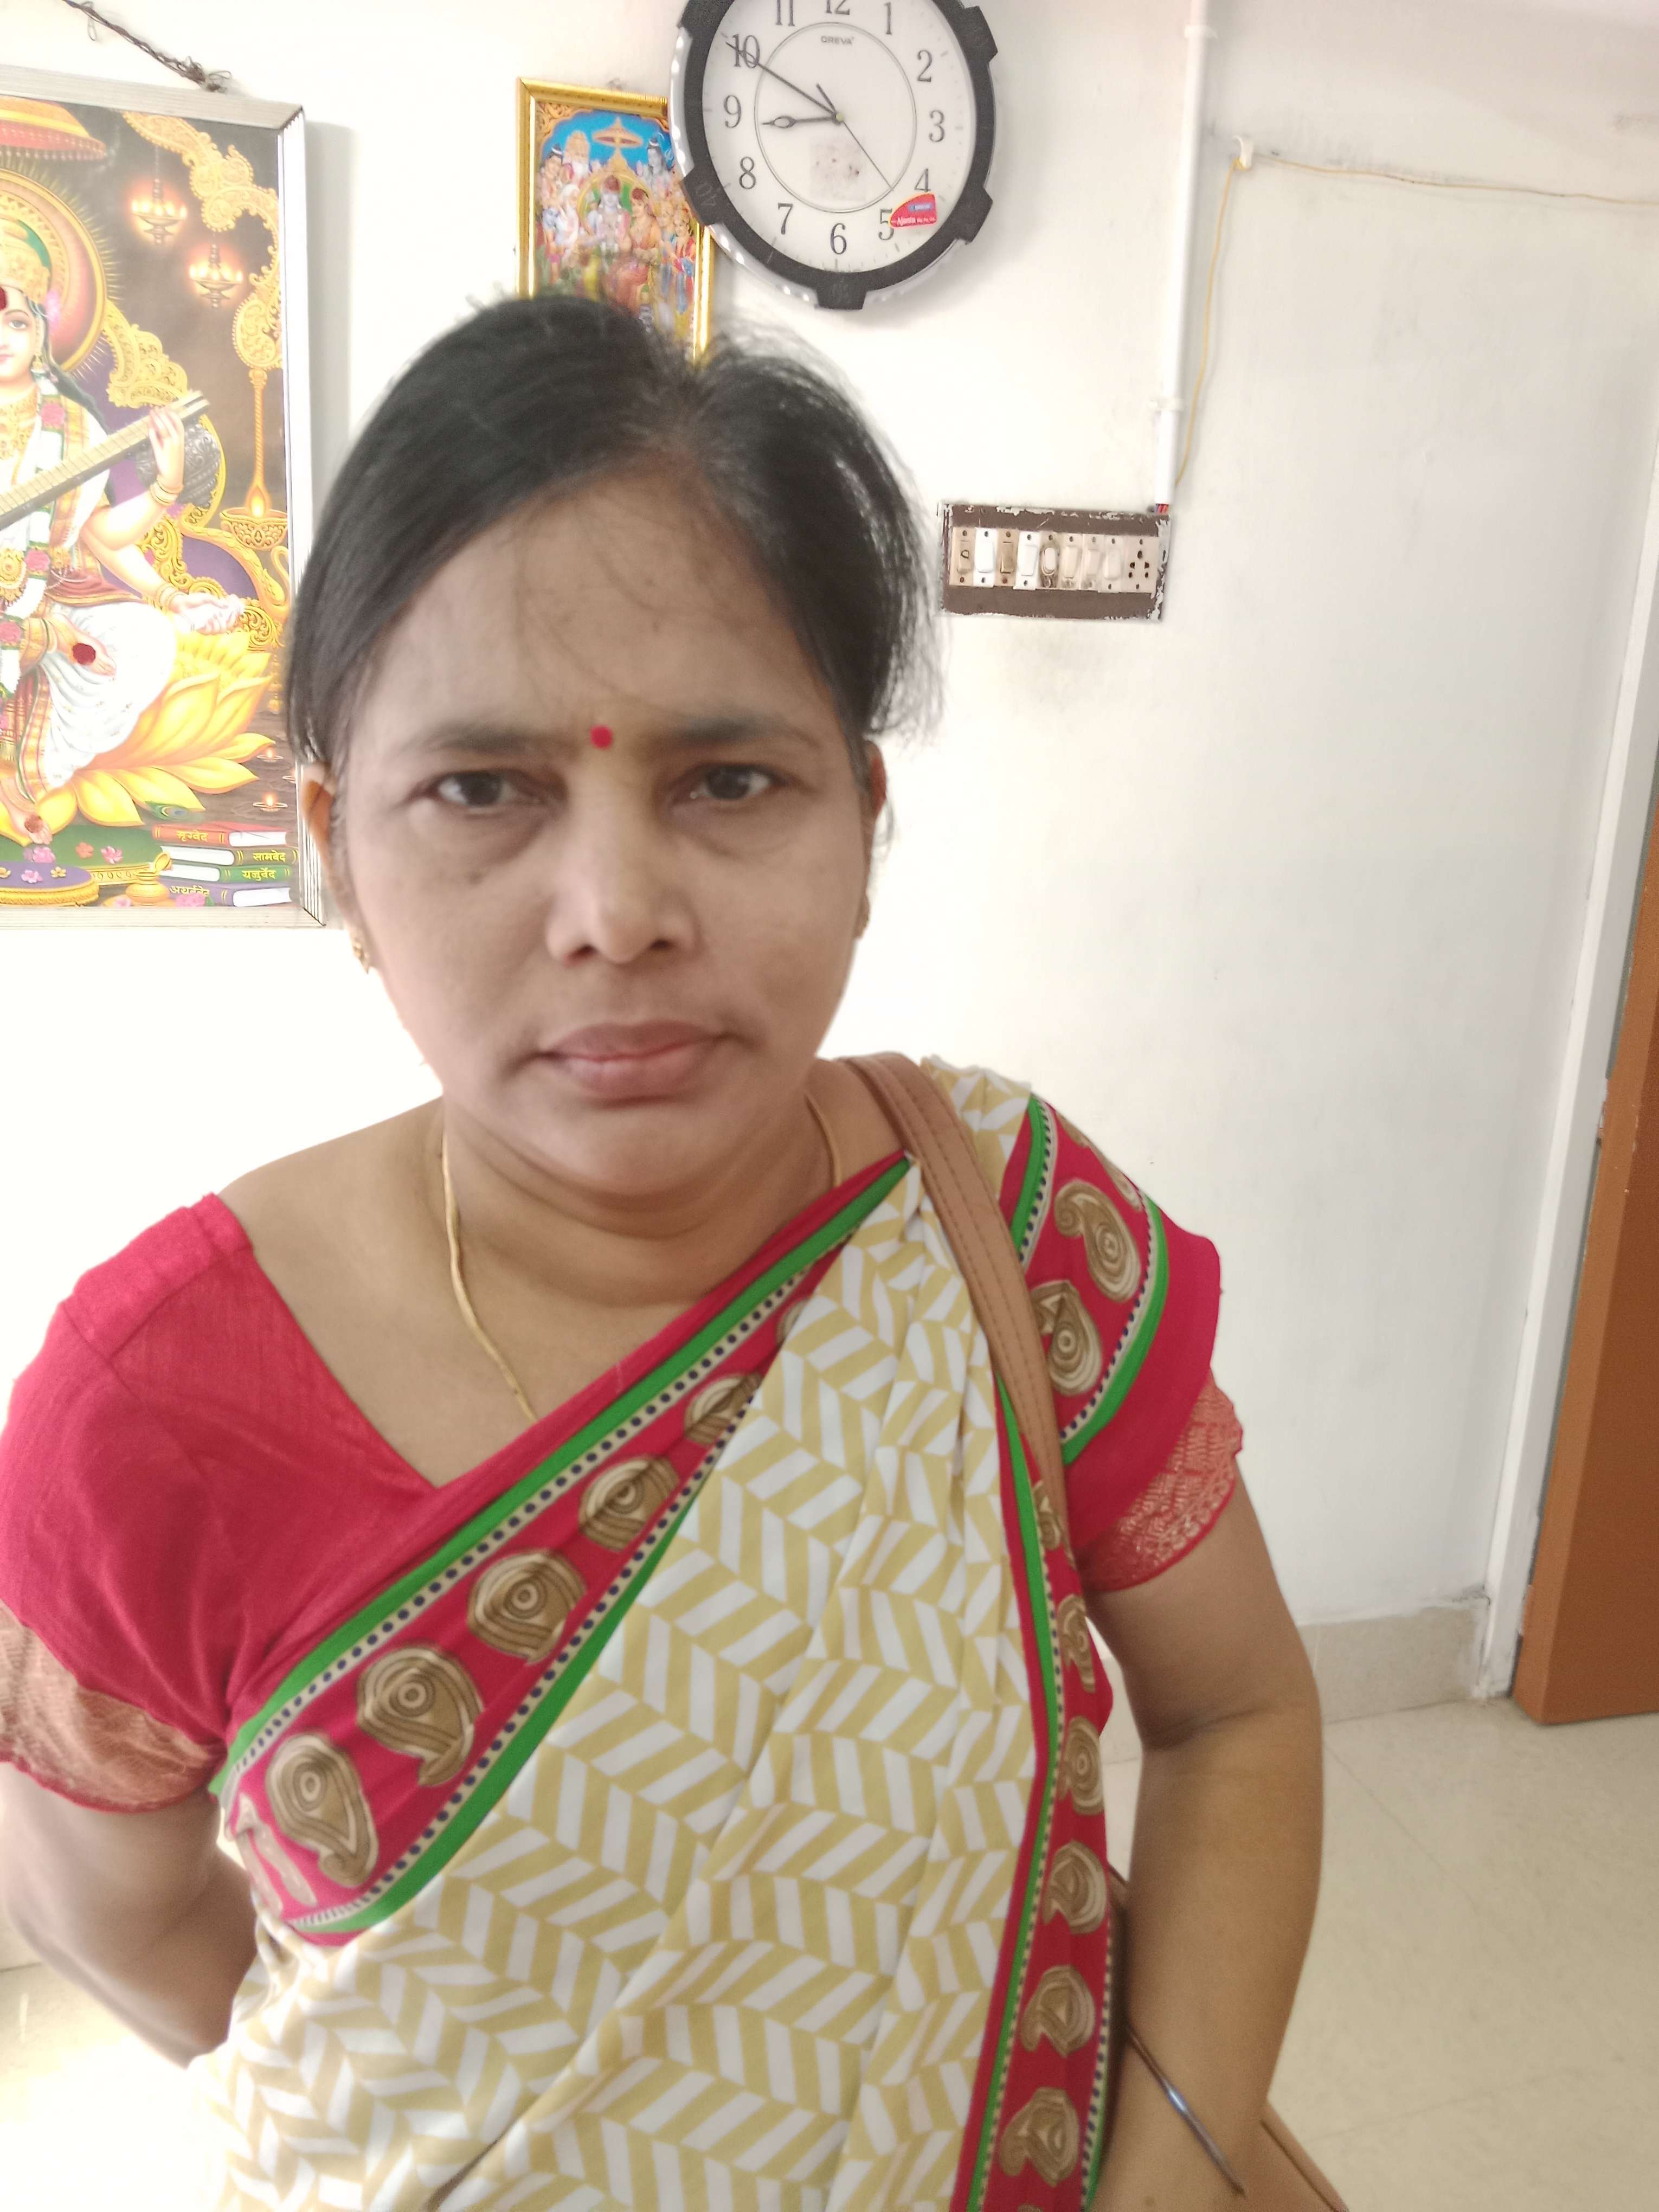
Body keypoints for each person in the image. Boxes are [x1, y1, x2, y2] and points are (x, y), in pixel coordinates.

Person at [0, 295, 1323, 2212]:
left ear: (864, 824)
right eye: (483, 790)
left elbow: (1239, 1715)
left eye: (727, 781)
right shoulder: (153, 1408)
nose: (617, 913)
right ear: (338, 852)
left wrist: (1176, 2167)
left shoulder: (1013, 1230)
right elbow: (114, 1916)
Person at [0, 215, 240, 844]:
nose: (2, 337)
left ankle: (25, 766)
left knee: (147, 638)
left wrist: (165, 496)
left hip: (42, 594)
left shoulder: (76, 426)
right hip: (28, 621)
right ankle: (10, 779)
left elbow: (96, 534)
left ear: (40, 333)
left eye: (16, 322)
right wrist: (49, 636)